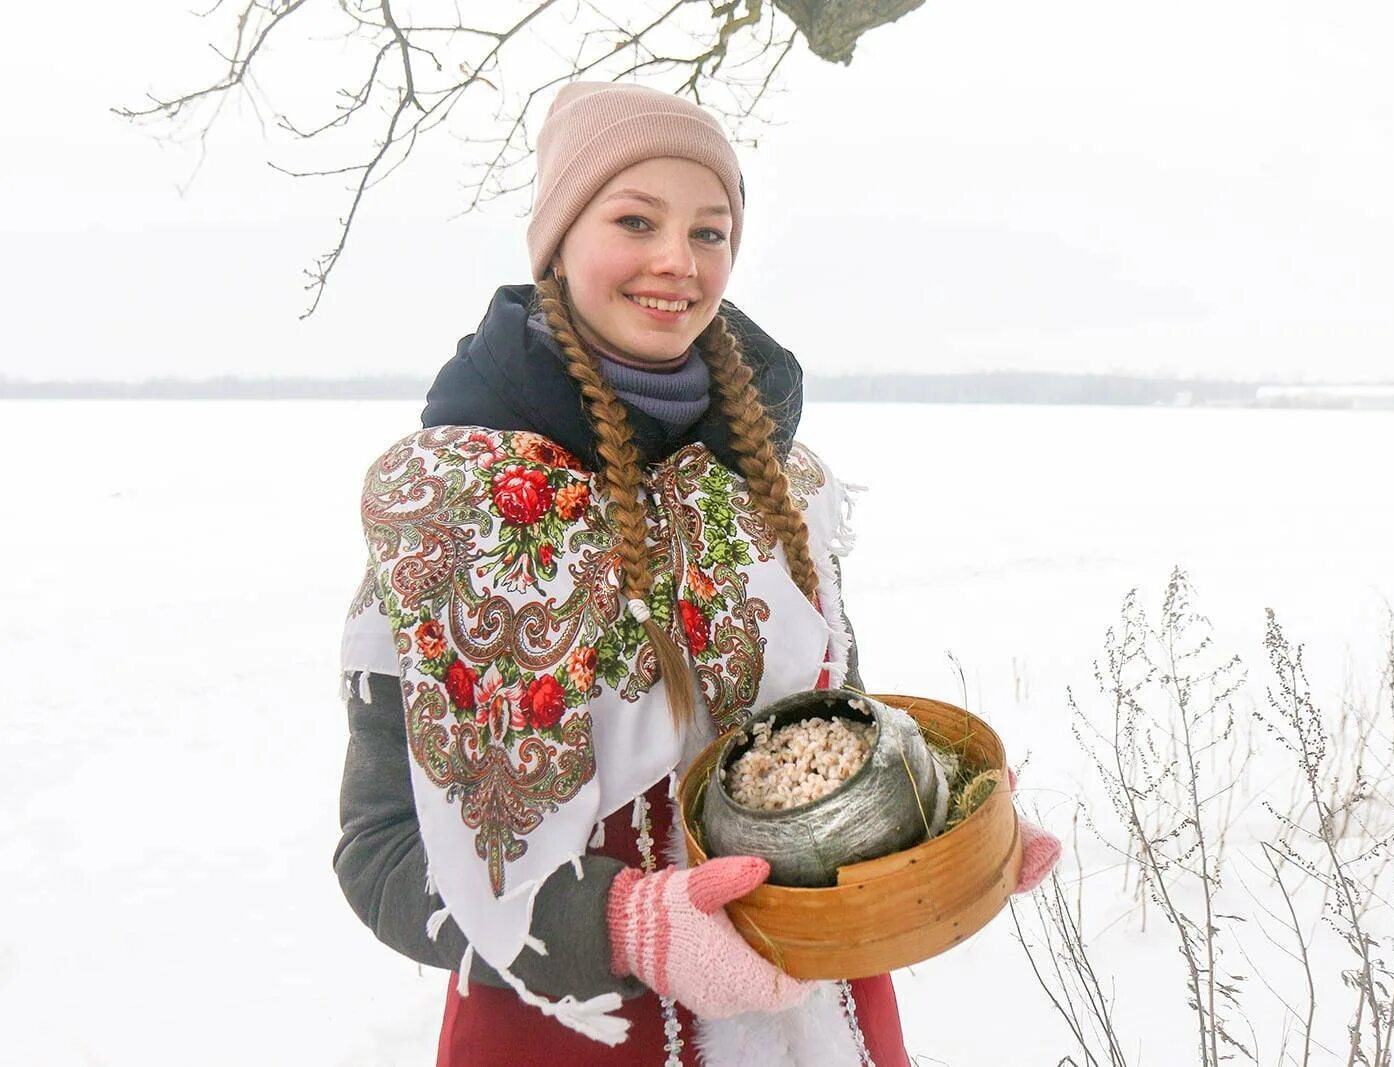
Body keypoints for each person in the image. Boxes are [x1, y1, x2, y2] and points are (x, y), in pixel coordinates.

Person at [335, 81, 1061, 1066]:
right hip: (576, 1037)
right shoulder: (455, 510)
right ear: (557, 240)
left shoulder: (777, 489)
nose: (678, 261)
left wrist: (936, 835)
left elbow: (834, 750)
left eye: (710, 231)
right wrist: (627, 923)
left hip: (822, 1023)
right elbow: (380, 857)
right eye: (635, 221)